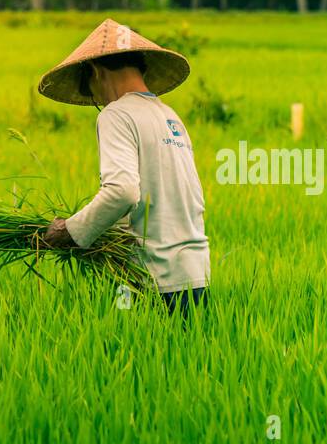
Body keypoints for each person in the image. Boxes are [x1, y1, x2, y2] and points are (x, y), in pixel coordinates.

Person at [36, 19, 210, 317]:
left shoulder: (117, 114)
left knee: (124, 355)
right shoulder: (170, 117)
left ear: (95, 71)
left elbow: (122, 191)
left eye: (90, 90)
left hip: (144, 279)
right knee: (186, 359)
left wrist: (71, 231)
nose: (98, 100)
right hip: (194, 275)